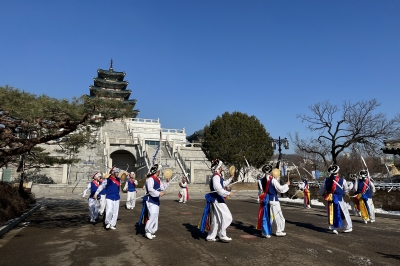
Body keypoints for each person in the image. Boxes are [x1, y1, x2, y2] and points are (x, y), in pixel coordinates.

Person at [199, 159, 234, 242]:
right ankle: (222, 234)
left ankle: (211, 236)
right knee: (227, 216)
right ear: (218, 167)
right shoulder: (216, 176)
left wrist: (230, 178)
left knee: (216, 219)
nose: (221, 168)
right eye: (220, 167)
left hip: (216, 198)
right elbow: (218, 189)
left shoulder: (217, 176)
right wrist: (228, 193)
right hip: (217, 199)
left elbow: (223, 184)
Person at [256, 164, 290, 238]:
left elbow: (260, 191)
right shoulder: (273, 180)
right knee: (279, 216)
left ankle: (265, 231)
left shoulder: (261, 180)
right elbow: (281, 189)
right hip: (274, 200)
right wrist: (287, 185)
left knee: (268, 216)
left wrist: (260, 198)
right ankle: (279, 231)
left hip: (266, 200)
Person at [139, 164, 170, 240]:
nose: (160, 172)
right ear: (156, 171)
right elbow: (150, 190)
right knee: (152, 215)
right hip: (150, 200)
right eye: (159, 170)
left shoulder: (158, 179)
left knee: (155, 216)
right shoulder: (150, 179)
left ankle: (152, 231)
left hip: (156, 200)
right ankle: (148, 231)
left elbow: (162, 188)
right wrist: (158, 193)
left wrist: (167, 182)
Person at [318, 164, 353, 234]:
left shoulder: (326, 180)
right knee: (344, 213)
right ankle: (347, 227)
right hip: (339, 199)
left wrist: (322, 194)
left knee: (331, 213)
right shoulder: (342, 180)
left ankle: (334, 227)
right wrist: (345, 193)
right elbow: (346, 190)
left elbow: (321, 190)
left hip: (330, 199)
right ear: (337, 172)